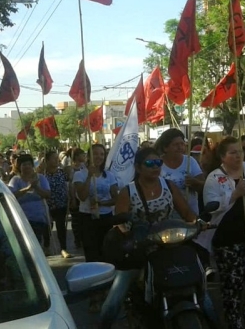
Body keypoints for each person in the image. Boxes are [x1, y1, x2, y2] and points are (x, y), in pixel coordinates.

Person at [99, 147, 219, 329]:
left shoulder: (169, 185)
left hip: (171, 247)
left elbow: (186, 212)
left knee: (203, 293)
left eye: (158, 163)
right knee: (114, 300)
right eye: (150, 163)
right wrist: (127, 234)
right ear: (138, 168)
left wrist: (198, 222)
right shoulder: (127, 191)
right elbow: (120, 220)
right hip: (140, 250)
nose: (155, 167)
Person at [203, 137, 245, 329]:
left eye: (240, 151)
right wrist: (234, 194)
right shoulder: (215, 177)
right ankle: (234, 320)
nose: (238, 156)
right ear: (222, 157)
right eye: (233, 152)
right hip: (226, 238)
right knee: (232, 283)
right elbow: (211, 206)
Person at [74, 144, 119, 312]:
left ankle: (107, 291)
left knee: (106, 254)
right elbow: (82, 196)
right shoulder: (80, 174)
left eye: (101, 154)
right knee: (92, 257)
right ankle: (94, 296)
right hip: (87, 219)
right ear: (88, 156)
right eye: (95, 154)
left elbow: (116, 198)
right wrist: (89, 177)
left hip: (106, 218)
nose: (99, 157)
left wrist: (102, 203)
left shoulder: (110, 176)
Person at [156, 128, 205, 218]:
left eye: (182, 144)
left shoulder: (190, 161)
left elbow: (203, 186)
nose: (180, 147)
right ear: (165, 148)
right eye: (175, 145)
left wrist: (194, 182)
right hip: (166, 215)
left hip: (190, 213)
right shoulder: (157, 163)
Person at [8, 154, 51, 244]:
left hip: (39, 217)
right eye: (24, 165)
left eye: (29, 164)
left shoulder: (40, 178)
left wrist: (36, 187)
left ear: (32, 165)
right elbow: (11, 196)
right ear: (19, 167)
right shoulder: (15, 180)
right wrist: (27, 189)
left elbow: (47, 194)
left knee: (37, 242)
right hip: (22, 218)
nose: (27, 166)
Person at [43, 150, 72, 258]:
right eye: (53, 158)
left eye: (57, 158)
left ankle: (63, 249)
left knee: (61, 227)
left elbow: (67, 183)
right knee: (47, 227)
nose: (56, 160)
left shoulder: (61, 172)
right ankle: (46, 246)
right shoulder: (43, 174)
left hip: (61, 204)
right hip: (48, 205)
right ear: (47, 160)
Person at [68, 148, 86, 250]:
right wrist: (73, 198)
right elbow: (72, 185)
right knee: (76, 221)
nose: (84, 157)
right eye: (82, 155)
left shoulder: (85, 167)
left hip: (84, 195)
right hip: (75, 197)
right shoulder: (72, 169)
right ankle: (77, 239)